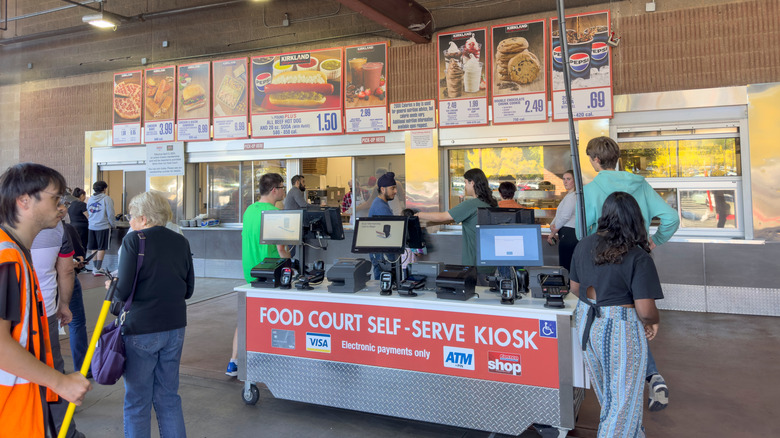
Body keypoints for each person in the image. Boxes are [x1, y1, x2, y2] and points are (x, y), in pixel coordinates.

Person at [580, 136, 679, 411]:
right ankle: (652, 375)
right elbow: (672, 218)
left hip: (602, 262)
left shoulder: (590, 190)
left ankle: (623, 392)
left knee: (610, 324)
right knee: (637, 320)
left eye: (590, 157)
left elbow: (581, 231)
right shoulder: (640, 184)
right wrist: (653, 241)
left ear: (596, 160)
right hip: (638, 257)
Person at [0, 163, 91, 437]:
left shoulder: (17, 252)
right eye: (56, 198)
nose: (63, 206)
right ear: (24, 200)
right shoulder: (7, 259)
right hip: (11, 413)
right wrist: (59, 382)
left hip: (24, 409)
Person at [570, 192, 663, 437]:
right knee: (622, 404)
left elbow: (575, 289)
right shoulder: (638, 256)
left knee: (610, 400)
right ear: (636, 219)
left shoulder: (583, 244)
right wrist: (653, 322)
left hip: (586, 324)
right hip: (621, 329)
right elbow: (645, 309)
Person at [115, 191, 194, 437]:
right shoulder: (180, 241)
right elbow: (189, 290)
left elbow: (123, 291)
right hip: (175, 326)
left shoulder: (133, 241)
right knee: (169, 396)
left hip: (142, 328)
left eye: (132, 216)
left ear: (144, 218)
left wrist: (113, 286)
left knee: (138, 400)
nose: (130, 221)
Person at [227, 173, 291, 377]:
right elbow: (281, 248)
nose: (284, 191)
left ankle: (233, 362)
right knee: (279, 317)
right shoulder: (275, 212)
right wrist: (292, 267)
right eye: (282, 187)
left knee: (246, 318)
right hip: (272, 273)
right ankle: (276, 359)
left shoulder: (249, 211)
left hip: (251, 274)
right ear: (274, 190)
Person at [31, 219, 86, 438]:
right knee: (52, 370)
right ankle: (64, 432)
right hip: (46, 313)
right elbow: (66, 271)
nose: (61, 207)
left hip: (28, 314)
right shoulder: (58, 228)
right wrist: (64, 304)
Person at [417, 168, 497, 266]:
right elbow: (451, 220)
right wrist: (428, 223)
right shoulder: (492, 204)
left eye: (465, 183)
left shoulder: (471, 204)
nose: (465, 187)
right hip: (490, 261)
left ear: (472, 183)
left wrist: (419, 214)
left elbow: (443, 216)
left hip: (474, 263)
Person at [62, 220, 89, 377]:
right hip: (68, 282)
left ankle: (53, 367)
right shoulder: (65, 229)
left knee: (45, 325)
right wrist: (76, 263)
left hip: (41, 284)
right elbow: (78, 257)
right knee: (77, 324)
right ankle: (82, 368)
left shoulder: (28, 229)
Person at [368, 172, 398, 279]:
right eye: (392, 188)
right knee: (384, 285)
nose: (395, 191)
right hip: (383, 256)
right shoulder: (381, 207)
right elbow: (392, 231)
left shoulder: (381, 203)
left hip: (382, 254)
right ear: (383, 189)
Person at [547, 170, 578, 272]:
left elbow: (565, 216)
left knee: (566, 266)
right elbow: (560, 215)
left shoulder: (573, 196)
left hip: (569, 234)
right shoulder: (569, 196)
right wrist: (553, 225)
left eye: (568, 179)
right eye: (564, 179)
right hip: (566, 232)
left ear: (575, 180)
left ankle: (569, 287)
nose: (565, 182)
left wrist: (553, 231)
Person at [86, 180, 115, 275]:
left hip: (91, 226)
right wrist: (113, 224)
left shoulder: (90, 199)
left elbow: (89, 212)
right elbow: (110, 214)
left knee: (94, 247)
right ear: (104, 189)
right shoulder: (107, 199)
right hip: (103, 226)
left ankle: (95, 268)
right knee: (101, 247)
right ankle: (98, 268)